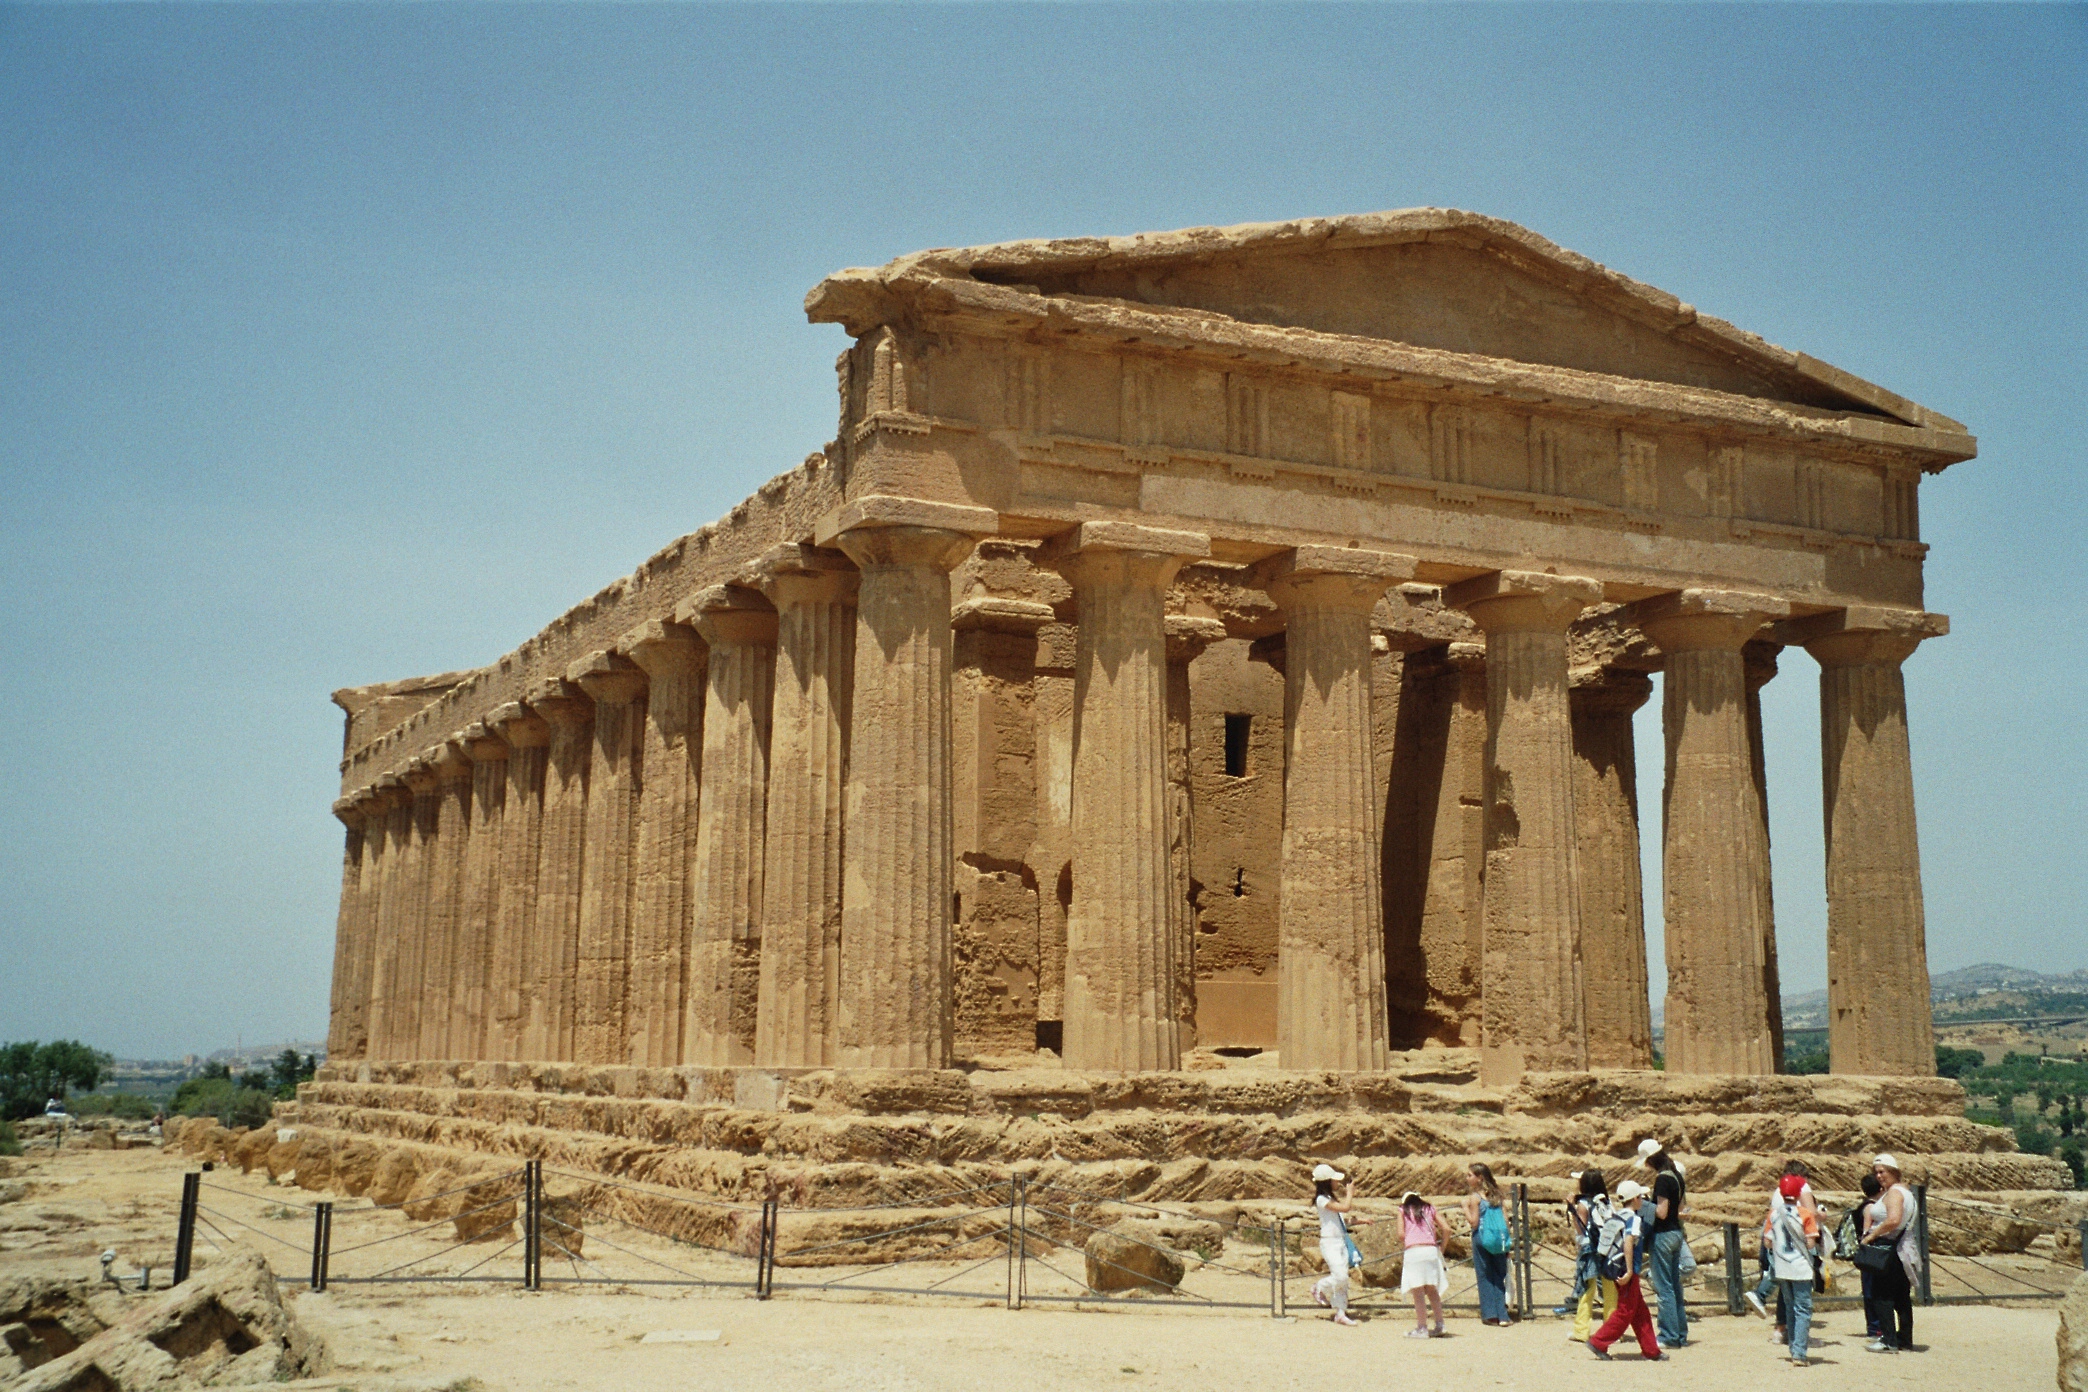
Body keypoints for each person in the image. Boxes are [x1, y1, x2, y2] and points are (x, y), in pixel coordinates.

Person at [1588, 1179, 1665, 1361]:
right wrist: (1630, 1270)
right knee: (1625, 1311)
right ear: (1636, 1199)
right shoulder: (1634, 1219)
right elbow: (1629, 1242)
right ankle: (1599, 1342)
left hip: (1616, 1267)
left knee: (1640, 1312)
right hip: (1627, 1270)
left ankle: (1651, 1350)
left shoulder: (1618, 1216)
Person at [1744, 1161, 1819, 1340]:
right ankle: (1761, 1296)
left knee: (1784, 1290)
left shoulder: (1779, 1191)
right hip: (1796, 1248)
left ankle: (1781, 1330)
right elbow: (1811, 1214)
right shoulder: (1802, 1187)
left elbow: (1769, 1223)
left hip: (1777, 1241)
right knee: (1799, 1302)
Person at [1862, 1154, 1920, 1353]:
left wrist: (1872, 1235)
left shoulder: (1894, 1193)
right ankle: (1904, 1339)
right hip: (1903, 1248)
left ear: (1893, 1171)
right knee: (1901, 1297)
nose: (1878, 1176)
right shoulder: (1905, 1192)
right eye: (1876, 1172)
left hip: (1891, 1250)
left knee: (1881, 1295)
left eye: (1882, 1171)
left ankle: (1889, 1339)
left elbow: (1893, 1220)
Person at [1759, 1174, 1818, 1366]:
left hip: (1782, 1267)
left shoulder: (1773, 1214)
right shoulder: (1805, 1214)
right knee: (1803, 1309)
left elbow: (1767, 1242)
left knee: (1790, 1307)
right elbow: (1810, 1243)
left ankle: (1794, 1347)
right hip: (1800, 1267)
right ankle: (1799, 1352)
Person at [1637, 1138, 1690, 1349]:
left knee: (1664, 1287)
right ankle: (1680, 1334)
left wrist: (1641, 1204)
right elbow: (1682, 1209)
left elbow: (1661, 1211)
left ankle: (1668, 1335)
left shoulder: (1662, 1180)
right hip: (1676, 1233)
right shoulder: (1677, 1176)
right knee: (1675, 1286)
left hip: (1663, 1235)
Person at [1309, 1163, 1370, 1327]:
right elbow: (1345, 1207)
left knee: (1343, 1278)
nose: (1337, 1183)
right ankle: (1319, 1287)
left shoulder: (1329, 1199)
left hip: (1340, 1241)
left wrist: (1361, 1221)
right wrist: (1350, 1193)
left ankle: (1340, 1312)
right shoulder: (1321, 1200)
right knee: (1340, 1275)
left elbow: (1341, 1219)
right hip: (1330, 1242)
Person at [1568, 1169, 1618, 1343]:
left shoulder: (1583, 1204)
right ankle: (1612, 1330)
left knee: (1587, 1289)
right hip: (1607, 1249)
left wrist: (1572, 1209)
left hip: (1590, 1249)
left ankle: (1581, 1331)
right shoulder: (1607, 1201)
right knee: (1610, 1291)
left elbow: (1580, 1228)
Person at [1463, 1162, 1512, 1326]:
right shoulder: (1497, 1196)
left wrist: (1465, 1208)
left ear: (1479, 1178)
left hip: (1482, 1238)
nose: (1467, 1178)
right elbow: (1506, 1221)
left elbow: (1474, 1222)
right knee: (1499, 1275)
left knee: (1484, 1275)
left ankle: (1490, 1315)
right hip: (1499, 1239)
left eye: (1470, 1175)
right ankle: (1503, 1315)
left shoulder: (1475, 1198)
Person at [1396, 1190, 1447, 1338]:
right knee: (1432, 1290)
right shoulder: (1430, 1208)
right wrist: (1441, 1249)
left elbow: (1400, 1234)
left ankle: (1422, 1328)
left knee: (1418, 1292)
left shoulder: (1402, 1210)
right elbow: (1446, 1228)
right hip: (1430, 1250)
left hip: (1414, 1251)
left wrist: (1411, 1237)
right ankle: (1440, 1324)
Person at [1843, 1172, 1887, 1341]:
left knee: (1870, 1289)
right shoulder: (1870, 1207)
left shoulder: (1864, 1205)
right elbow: (1867, 1230)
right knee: (1871, 1290)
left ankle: (1875, 1326)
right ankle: (1875, 1328)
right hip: (1870, 1252)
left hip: (1866, 1252)